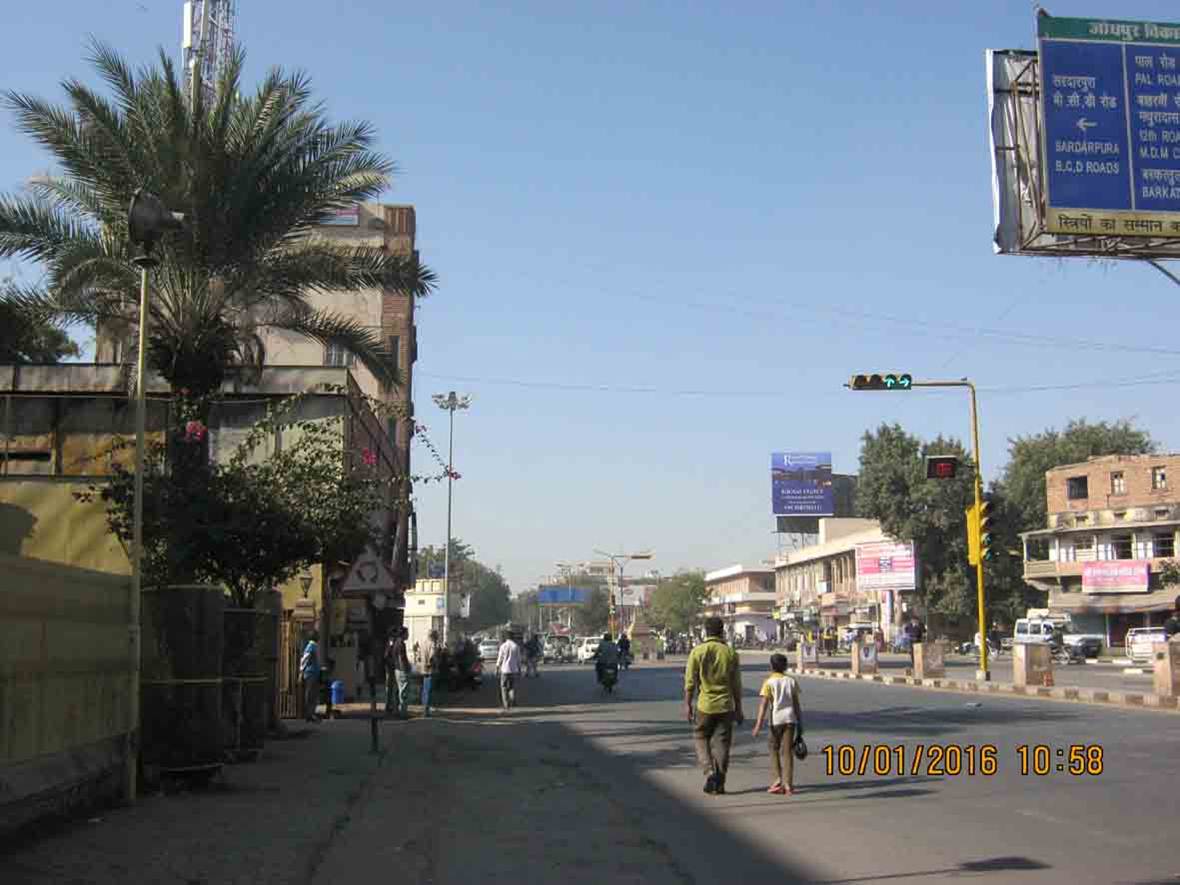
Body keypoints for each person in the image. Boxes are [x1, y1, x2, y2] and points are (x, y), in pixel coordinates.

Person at [684, 616, 744, 795]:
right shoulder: (730, 653)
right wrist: (739, 708)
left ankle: (710, 772)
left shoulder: (697, 652)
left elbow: (690, 682)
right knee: (722, 744)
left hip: (705, 705)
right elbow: (736, 684)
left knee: (700, 737)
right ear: (722, 631)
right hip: (726, 705)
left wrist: (687, 705)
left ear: (706, 631)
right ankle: (720, 781)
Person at [751, 653, 802, 796]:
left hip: (776, 721)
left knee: (773, 748)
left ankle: (778, 779)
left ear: (771, 666)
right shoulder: (791, 681)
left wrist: (758, 725)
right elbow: (796, 705)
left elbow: (763, 705)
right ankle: (788, 785)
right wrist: (800, 723)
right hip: (790, 720)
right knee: (787, 753)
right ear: (785, 666)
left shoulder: (769, 682)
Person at [385, 627, 411, 718]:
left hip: (396, 669)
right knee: (402, 690)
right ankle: (402, 712)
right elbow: (400, 658)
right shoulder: (400, 643)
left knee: (397, 690)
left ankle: (396, 709)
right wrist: (405, 668)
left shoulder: (395, 642)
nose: (408, 635)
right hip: (399, 669)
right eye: (407, 633)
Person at [496, 631, 522, 710]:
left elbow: (500, 658)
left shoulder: (503, 646)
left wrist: (497, 668)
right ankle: (513, 699)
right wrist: (519, 669)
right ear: (512, 637)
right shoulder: (516, 646)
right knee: (512, 687)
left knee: (503, 687)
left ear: (506, 637)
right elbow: (518, 659)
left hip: (504, 670)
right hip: (513, 670)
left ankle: (506, 704)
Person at [300, 635, 321, 723]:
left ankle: (310, 714)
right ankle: (309, 715)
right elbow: (304, 659)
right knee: (310, 694)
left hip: (312, 673)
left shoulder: (313, 646)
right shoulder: (311, 647)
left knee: (312, 694)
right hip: (310, 673)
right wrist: (301, 671)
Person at [420, 629, 440, 717]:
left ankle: (424, 708)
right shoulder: (433, 644)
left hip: (423, 669)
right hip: (430, 669)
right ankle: (426, 711)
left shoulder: (423, 643)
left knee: (425, 690)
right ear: (434, 636)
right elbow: (432, 656)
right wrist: (433, 664)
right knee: (428, 690)